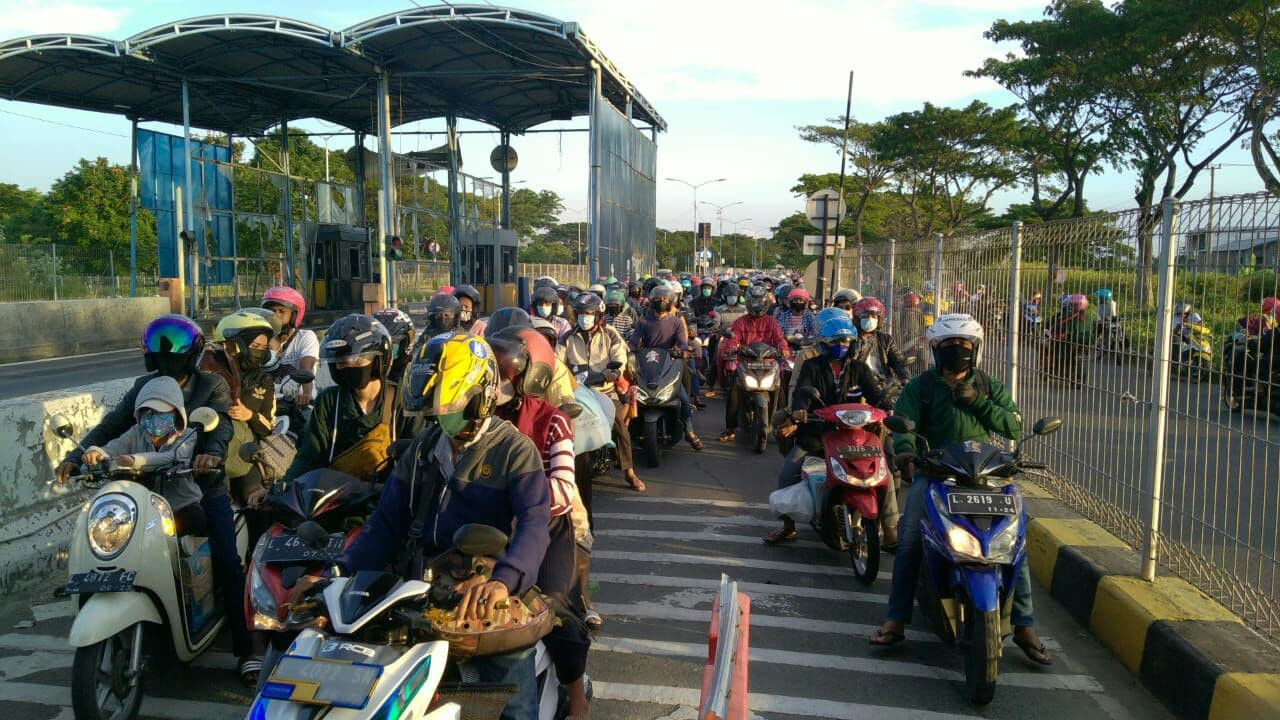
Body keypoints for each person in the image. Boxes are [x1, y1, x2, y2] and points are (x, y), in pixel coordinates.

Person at [292, 331, 551, 720]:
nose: (442, 420)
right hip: (414, 591)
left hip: (484, 596)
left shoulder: (514, 450)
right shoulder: (423, 448)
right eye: (437, 411)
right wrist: (337, 573)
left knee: (510, 695)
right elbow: (384, 525)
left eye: (451, 409)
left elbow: (534, 524)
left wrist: (504, 579)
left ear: (481, 397)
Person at [54, 314, 257, 683]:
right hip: (146, 493)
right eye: (160, 345)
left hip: (200, 488)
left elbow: (222, 427)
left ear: (192, 352)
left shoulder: (212, 385)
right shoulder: (143, 386)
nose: (167, 353)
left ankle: (246, 651)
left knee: (227, 560)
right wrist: (78, 455)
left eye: (174, 345)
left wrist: (209, 455)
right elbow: (113, 427)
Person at [869, 314, 1051, 665]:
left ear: (976, 350)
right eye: (948, 346)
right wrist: (906, 452)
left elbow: (1013, 425)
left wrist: (976, 402)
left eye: (964, 346)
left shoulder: (987, 386)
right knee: (908, 542)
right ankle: (896, 619)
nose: (956, 352)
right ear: (936, 350)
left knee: (1015, 545)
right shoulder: (920, 386)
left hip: (984, 476)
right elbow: (903, 426)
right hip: (935, 472)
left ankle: (1024, 625)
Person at [488, 326, 592, 718]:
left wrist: (525, 500)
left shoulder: (553, 422)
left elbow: (565, 487)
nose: (495, 380)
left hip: (546, 530)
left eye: (504, 371)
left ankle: (577, 696)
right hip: (489, 529)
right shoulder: (479, 415)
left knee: (553, 608)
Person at [764, 315, 889, 545]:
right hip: (816, 435)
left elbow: (876, 394)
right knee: (786, 475)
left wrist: (888, 408)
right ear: (824, 343)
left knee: (885, 476)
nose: (841, 345)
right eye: (835, 341)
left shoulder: (860, 369)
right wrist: (800, 411)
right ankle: (788, 526)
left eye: (845, 341)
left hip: (854, 438)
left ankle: (889, 530)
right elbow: (802, 392)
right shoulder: (812, 366)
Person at [282, 314, 417, 484]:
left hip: (390, 500)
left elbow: (418, 459)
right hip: (336, 500)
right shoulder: (329, 401)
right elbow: (309, 458)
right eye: (340, 363)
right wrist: (282, 488)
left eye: (355, 360)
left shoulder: (403, 399)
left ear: (377, 361)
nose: (346, 367)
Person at [79, 375, 207, 536]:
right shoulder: (135, 433)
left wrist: (134, 460)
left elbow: (171, 457)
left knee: (195, 521)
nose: (153, 417)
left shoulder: (188, 436)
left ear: (176, 412)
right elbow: (112, 449)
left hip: (180, 508)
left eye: (160, 412)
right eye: (147, 411)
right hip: (143, 510)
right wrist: (95, 454)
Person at [560, 292, 644, 493]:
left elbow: (619, 358)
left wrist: (612, 372)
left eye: (589, 314)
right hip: (577, 392)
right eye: (580, 313)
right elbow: (557, 361)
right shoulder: (567, 337)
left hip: (605, 391)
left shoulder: (611, 334)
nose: (584, 317)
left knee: (620, 429)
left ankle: (629, 472)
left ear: (598, 316)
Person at [206, 310, 278, 512]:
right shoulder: (207, 375)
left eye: (263, 348)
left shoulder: (263, 381)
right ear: (233, 345)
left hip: (246, 454)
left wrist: (249, 415)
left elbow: (268, 427)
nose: (258, 352)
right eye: (254, 346)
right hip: (209, 456)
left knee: (258, 503)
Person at [630, 284, 703, 451]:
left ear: (671, 301)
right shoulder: (643, 321)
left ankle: (689, 430)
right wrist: (630, 351)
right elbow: (634, 341)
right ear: (651, 301)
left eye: (664, 298)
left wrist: (683, 350)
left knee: (683, 398)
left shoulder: (676, 321)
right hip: (648, 361)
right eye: (657, 298)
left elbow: (683, 342)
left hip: (671, 360)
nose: (661, 301)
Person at [718, 286, 790, 443]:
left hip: (768, 363)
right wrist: (731, 348)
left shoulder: (771, 322)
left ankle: (782, 424)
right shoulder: (741, 322)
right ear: (748, 302)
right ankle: (730, 427)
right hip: (747, 363)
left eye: (760, 301)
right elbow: (734, 337)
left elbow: (779, 338)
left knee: (781, 389)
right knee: (734, 391)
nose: (757, 304)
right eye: (754, 301)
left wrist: (783, 348)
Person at [262, 286, 318, 409]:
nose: (275, 315)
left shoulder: (305, 337)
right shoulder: (261, 339)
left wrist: (307, 394)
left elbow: (306, 368)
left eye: (281, 311)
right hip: (267, 404)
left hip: (298, 403)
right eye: (271, 311)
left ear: (294, 315)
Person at [852, 297, 910, 385]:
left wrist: (905, 378)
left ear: (879, 319)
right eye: (865, 316)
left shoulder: (886, 339)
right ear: (857, 318)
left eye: (873, 316)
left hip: (883, 384)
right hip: (858, 384)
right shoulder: (851, 338)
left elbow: (898, 361)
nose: (869, 319)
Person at [373, 307, 416, 384]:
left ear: (405, 342)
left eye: (393, 342)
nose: (385, 347)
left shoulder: (414, 369)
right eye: (380, 343)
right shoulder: (372, 368)